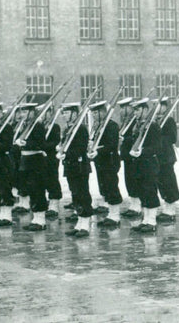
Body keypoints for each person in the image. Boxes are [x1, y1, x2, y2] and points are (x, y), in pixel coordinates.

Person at [88, 100, 124, 229]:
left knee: (111, 186)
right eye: (92, 113)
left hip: (110, 161)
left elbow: (111, 145)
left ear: (103, 112)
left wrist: (97, 150)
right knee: (104, 187)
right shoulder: (98, 126)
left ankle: (115, 216)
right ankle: (110, 213)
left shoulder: (111, 126)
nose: (93, 115)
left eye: (96, 112)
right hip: (100, 161)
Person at [129, 97, 161, 233]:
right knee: (142, 191)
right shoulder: (137, 125)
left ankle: (152, 221)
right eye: (134, 110)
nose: (135, 112)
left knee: (150, 191)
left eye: (137, 109)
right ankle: (145, 219)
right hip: (139, 164)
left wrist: (143, 151)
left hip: (149, 163)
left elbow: (158, 147)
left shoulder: (152, 126)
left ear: (145, 110)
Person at [60, 103, 93, 237]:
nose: (65, 115)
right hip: (71, 166)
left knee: (82, 194)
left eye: (67, 113)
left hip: (80, 167)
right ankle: (79, 223)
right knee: (75, 195)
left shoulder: (80, 129)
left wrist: (65, 154)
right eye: (64, 113)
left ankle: (85, 225)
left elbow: (80, 149)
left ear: (74, 113)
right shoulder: (69, 128)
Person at [15, 102, 48, 231]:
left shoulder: (38, 125)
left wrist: (25, 143)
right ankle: (35, 217)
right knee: (31, 190)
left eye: (25, 112)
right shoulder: (25, 125)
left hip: (36, 160)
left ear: (31, 112)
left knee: (38, 189)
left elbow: (41, 143)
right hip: (26, 161)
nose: (22, 114)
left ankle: (41, 220)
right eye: (21, 112)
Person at [156, 96, 179, 223]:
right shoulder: (156, 120)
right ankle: (166, 208)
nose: (157, 108)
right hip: (158, 158)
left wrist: (157, 136)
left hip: (166, 157)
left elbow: (172, 138)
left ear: (165, 107)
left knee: (169, 182)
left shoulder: (169, 120)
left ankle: (171, 210)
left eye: (160, 105)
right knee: (161, 183)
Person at [118, 97, 142, 219]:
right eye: (121, 108)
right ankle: (133, 205)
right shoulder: (126, 121)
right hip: (127, 155)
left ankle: (137, 206)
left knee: (134, 179)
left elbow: (135, 137)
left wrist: (125, 140)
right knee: (129, 180)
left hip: (133, 154)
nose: (122, 111)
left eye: (124, 108)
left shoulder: (134, 121)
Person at [43, 103, 63, 220]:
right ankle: (48, 202)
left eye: (47, 112)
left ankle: (54, 204)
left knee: (52, 179)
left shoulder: (54, 126)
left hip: (51, 157)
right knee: (44, 179)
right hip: (42, 158)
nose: (45, 115)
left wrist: (43, 145)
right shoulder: (41, 126)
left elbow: (55, 142)